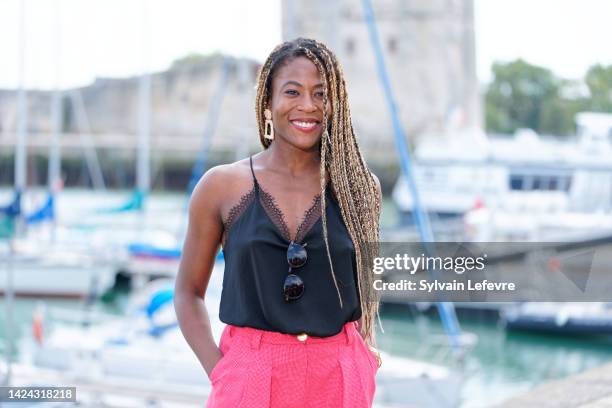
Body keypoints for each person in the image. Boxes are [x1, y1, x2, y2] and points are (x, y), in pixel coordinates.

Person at [175, 37, 382, 408]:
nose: (308, 105)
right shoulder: (221, 187)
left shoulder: (360, 189)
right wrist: (221, 371)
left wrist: (362, 358)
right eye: (292, 91)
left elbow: (365, 291)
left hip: (339, 376)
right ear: (268, 102)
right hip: (251, 375)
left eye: (321, 93)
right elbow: (188, 293)